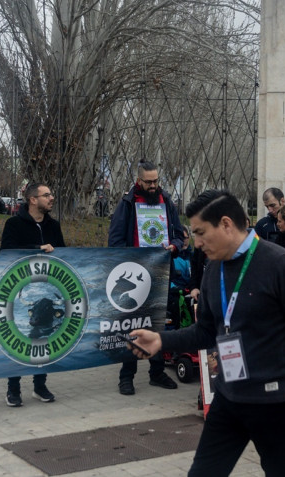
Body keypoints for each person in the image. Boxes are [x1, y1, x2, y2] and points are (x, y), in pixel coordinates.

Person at [127, 190, 285, 476]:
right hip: (229, 396)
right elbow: (207, 331)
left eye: (200, 232)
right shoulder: (214, 269)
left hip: (276, 402)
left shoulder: (282, 265)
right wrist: (161, 340)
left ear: (225, 224)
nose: (195, 243)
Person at [107, 160, 182, 395]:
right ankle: (126, 376)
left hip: (160, 272)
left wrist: (174, 247)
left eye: (155, 181)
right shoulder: (128, 203)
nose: (152, 186)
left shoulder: (166, 201)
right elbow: (115, 240)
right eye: (148, 182)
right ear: (138, 180)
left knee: (158, 323)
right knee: (133, 324)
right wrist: (129, 259)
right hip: (135, 274)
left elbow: (179, 235)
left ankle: (157, 372)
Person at [0, 182, 66, 407]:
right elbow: (7, 250)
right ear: (32, 199)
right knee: (18, 336)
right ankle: (13, 388)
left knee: (44, 339)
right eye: (46, 195)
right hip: (21, 288)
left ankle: (40, 385)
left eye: (51, 194)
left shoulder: (54, 225)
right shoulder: (14, 223)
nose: (51, 198)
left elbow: (64, 254)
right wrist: (37, 249)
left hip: (48, 289)